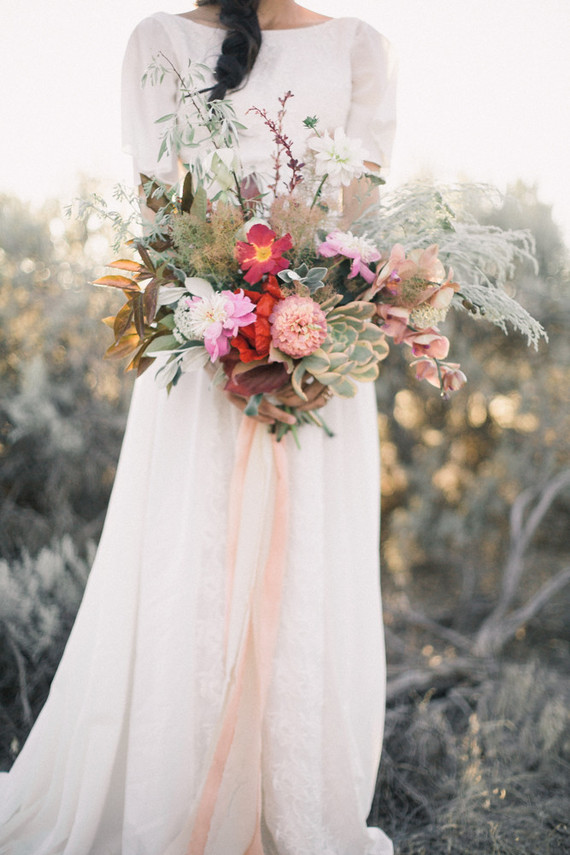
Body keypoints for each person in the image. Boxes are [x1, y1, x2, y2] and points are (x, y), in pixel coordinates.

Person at [0, 1, 397, 852]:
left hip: (321, 367)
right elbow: (161, 224)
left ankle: (289, 811)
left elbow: (359, 235)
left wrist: (310, 340)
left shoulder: (361, 49)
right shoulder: (159, 43)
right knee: (190, 570)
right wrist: (230, 340)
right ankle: (175, 803)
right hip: (201, 354)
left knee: (307, 575)